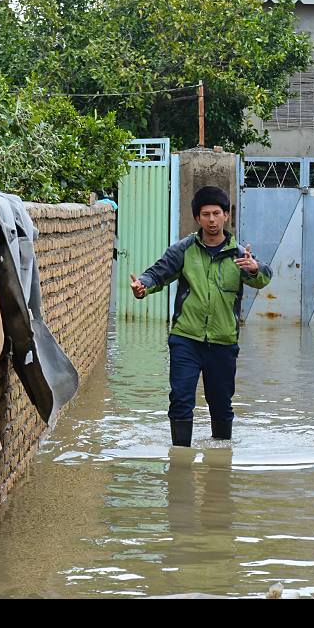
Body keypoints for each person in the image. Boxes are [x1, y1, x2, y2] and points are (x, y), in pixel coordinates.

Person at [130, 185, 272, 447]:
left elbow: (264, 276)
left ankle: (221, 462)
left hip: (223, 341)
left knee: (221, 402)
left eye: (217, 213)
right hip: (186, 338)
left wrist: (254, 269)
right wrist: (142, 286)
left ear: (226, 215)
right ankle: (180, 459)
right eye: (205, 214)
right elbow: (156, 274)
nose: (211, 220)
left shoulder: (239, 255)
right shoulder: (184, 250)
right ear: (197, 218)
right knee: (181, 398)